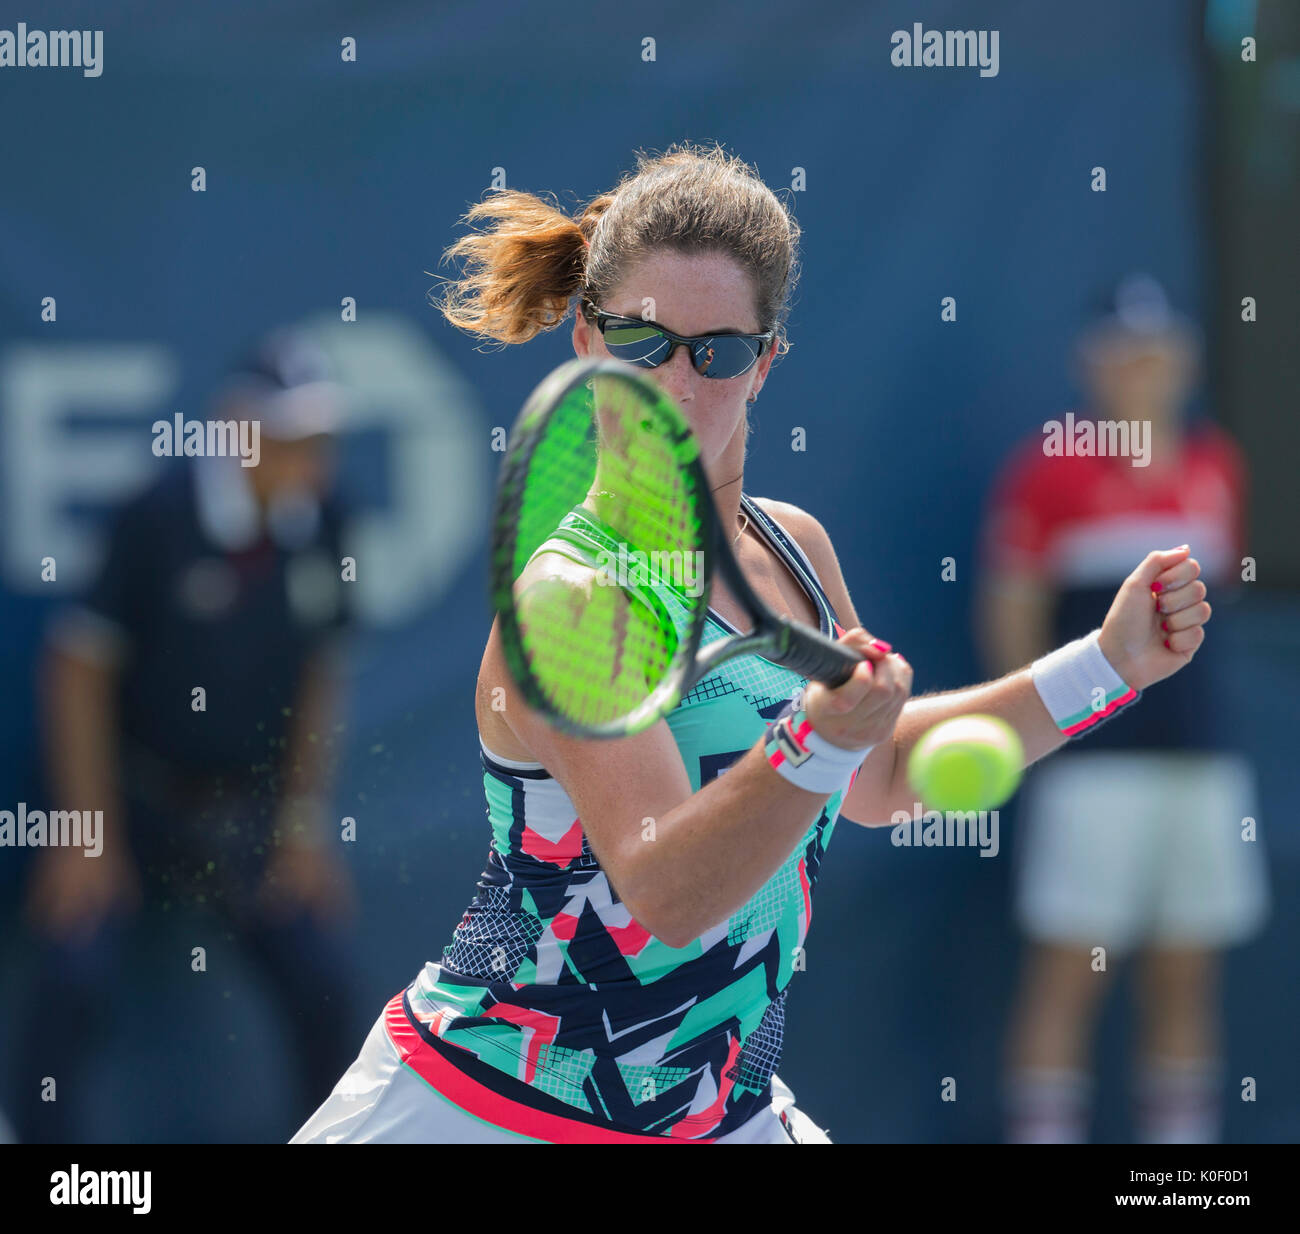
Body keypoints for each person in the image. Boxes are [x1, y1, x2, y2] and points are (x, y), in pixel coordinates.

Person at [293, 144, 1212, 1144]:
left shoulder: (794, 549)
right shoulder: (571, 599)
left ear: (765, 362)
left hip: (719, 1116)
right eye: (643, 341)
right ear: (586, 337)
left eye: (717, 352)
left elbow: (888, 771)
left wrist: (1107, 662)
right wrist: (810, 746)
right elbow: (665, 894)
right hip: (484, 1111)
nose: (675, 383)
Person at [17, 328, 361, 1142]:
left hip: (241, 818)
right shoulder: (157, 515)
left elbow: (321, 672)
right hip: (128, 804)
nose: (309, 457)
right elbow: (77, 668)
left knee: (323, 979)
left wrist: (301, 825)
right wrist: (87, 835)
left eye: (320, 438)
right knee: (72, 974)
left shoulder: (325, 523)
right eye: (289, 435)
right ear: (238, 429)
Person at [979, 275, 1269, 1144]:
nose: (1143, 372)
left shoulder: (1219, 465)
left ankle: (1178, 1176)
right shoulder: (1044, 473)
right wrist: (1044, 737)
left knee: (1187, 973)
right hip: (1089, 768)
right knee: (1068, 973)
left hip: (1201, 763)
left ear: (1183, 361)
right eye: (1125, 355)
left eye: (1158, 353)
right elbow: (1011, 618)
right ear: (1091, 366)